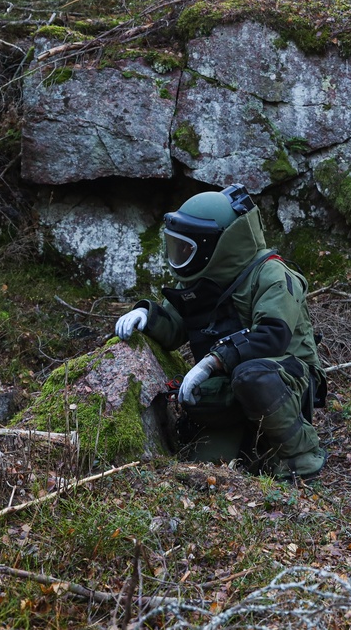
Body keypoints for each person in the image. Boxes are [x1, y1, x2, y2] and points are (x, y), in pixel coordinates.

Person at [115, 184, 327, 480]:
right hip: (231, 383)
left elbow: (272, 336)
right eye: (176, 247)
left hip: (287, 379)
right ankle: (253, 443)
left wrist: (213, 361)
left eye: (187, 249)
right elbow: (174, 328)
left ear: (218, 245)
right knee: (201, 471)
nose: (179, 257)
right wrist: (146, 316)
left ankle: (301, 460)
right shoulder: (199, 279)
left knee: (253, 376)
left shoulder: (271, 274)